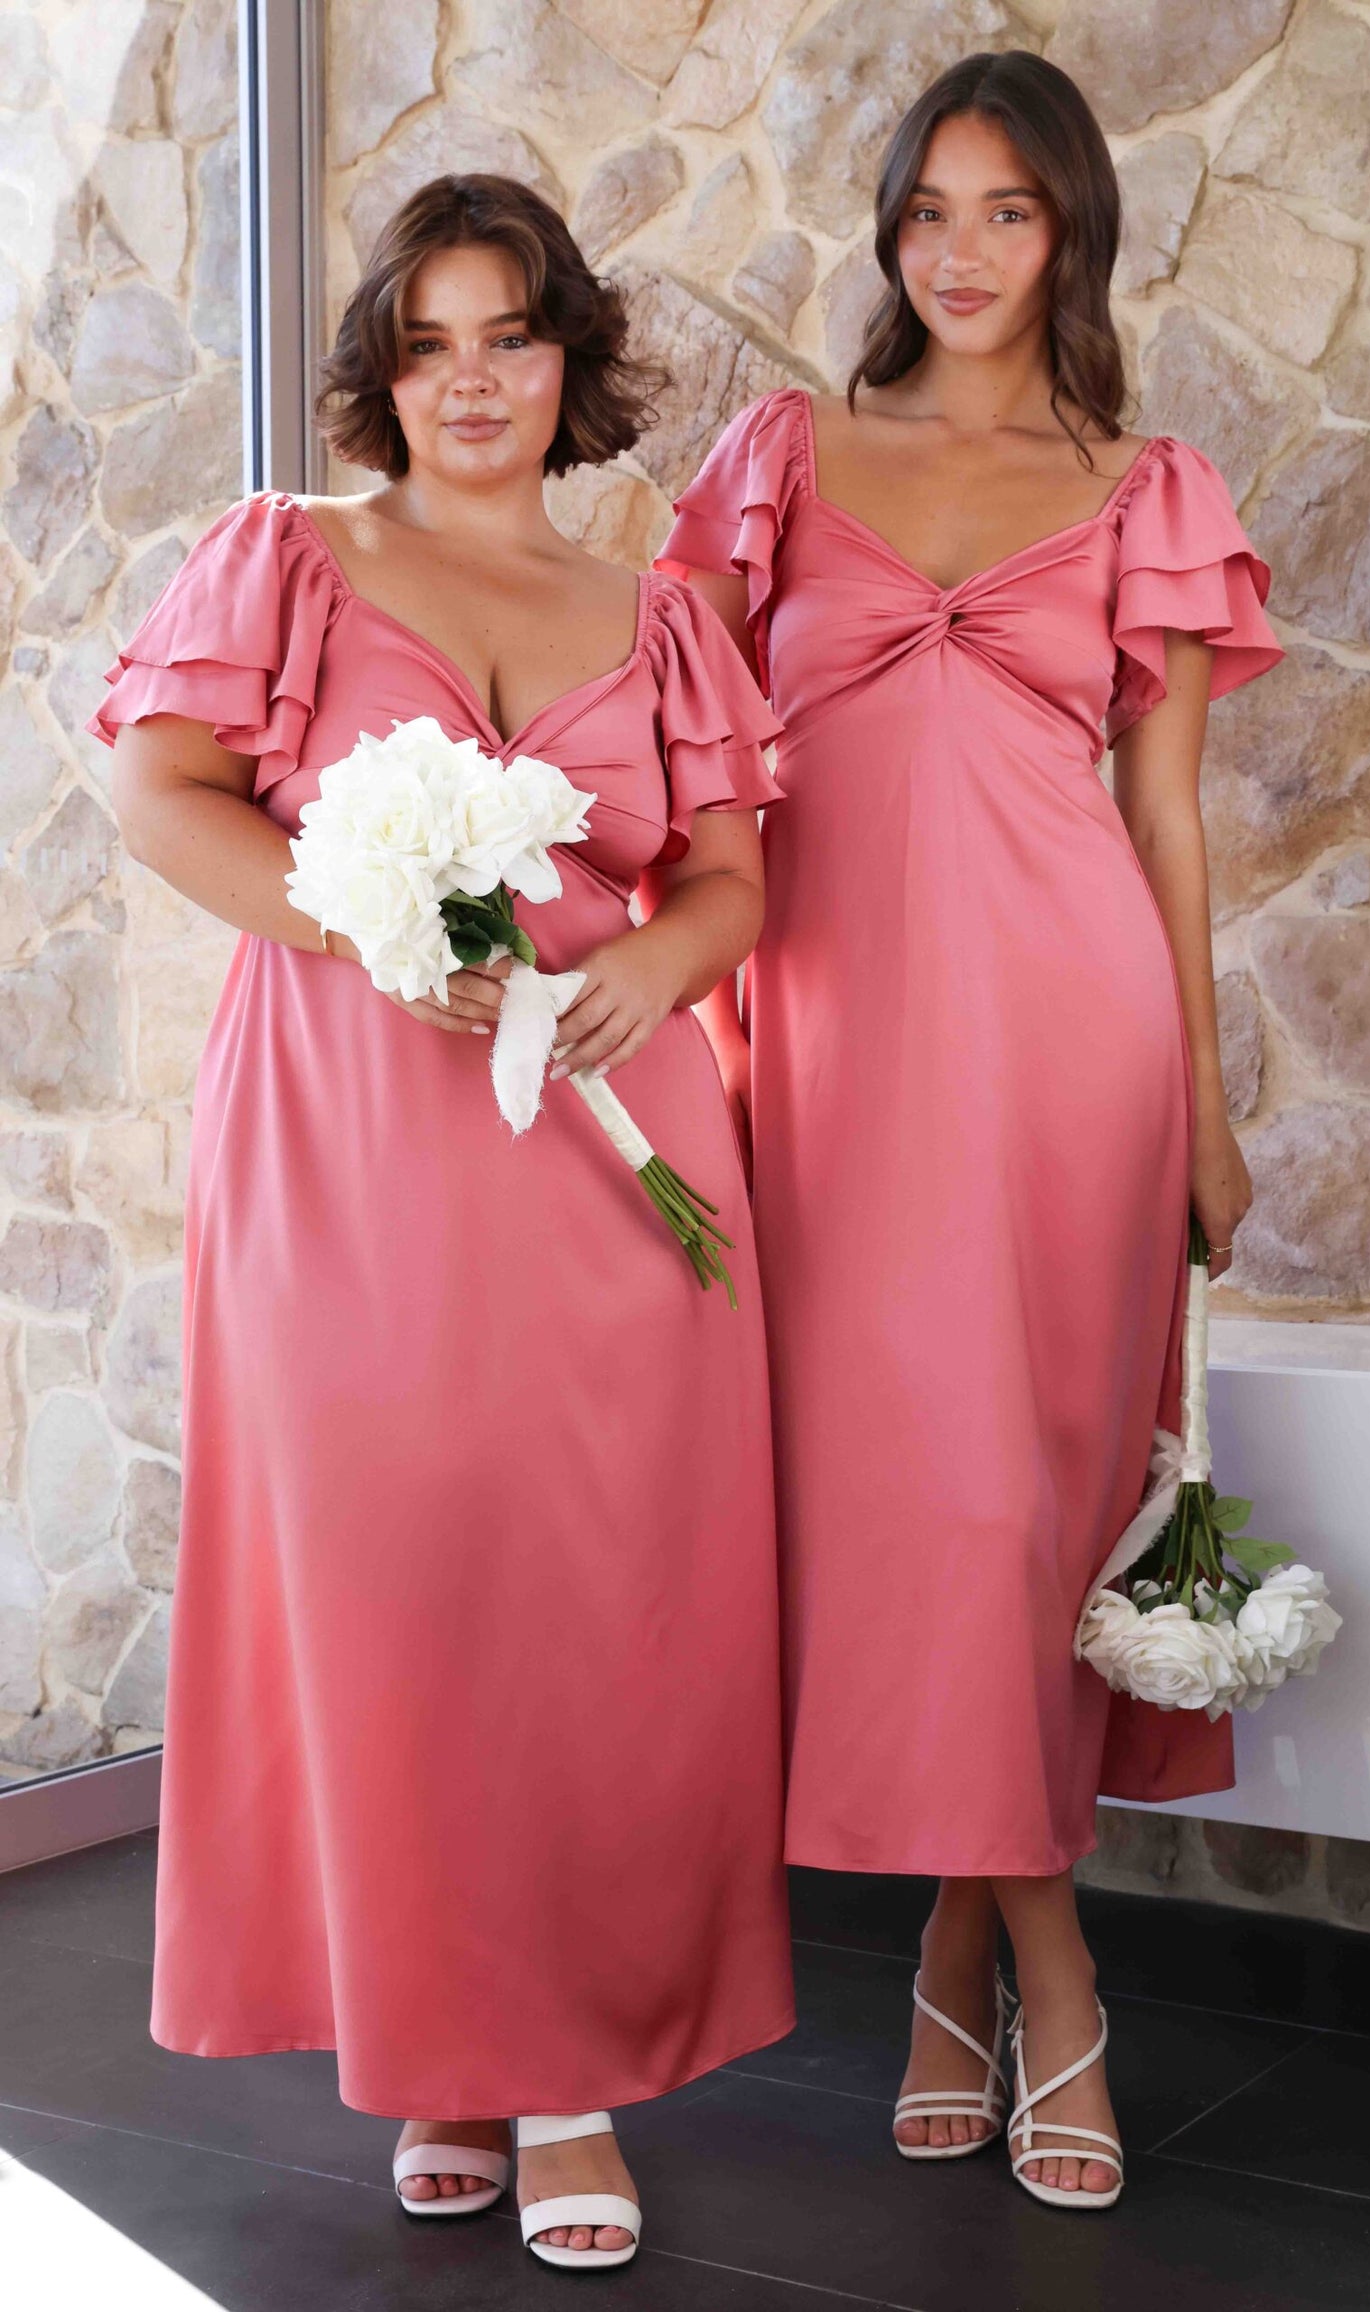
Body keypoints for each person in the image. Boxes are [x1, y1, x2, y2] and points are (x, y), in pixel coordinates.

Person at [90, 172, 795, 2273]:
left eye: (510, 337)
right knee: (393, 1585)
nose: (470, 382)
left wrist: (654, 966)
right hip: (351, 1143)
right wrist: (369, 931)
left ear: (569, 361)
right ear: (380, 375)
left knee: (592, 1597)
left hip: (608, 1145)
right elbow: (157, 791)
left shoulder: (661, 615)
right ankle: (439, 2046)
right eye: (427, 345)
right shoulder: (288, 558)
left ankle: (564, 2070)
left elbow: (731, 881)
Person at [658, 51, 1281, 2212]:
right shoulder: (781, 458)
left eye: (1009, 211)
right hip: (832, 1053)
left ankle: (993, 1951)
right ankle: (1012, 1948)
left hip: (1070, 1051)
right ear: (890, 230)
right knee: (913, 1508)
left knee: (1023, 1508)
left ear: (1071, 231)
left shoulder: (1142, 485)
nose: (963, 250)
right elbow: (685, 761)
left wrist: (1206, 1102)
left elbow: (1166, 819)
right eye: (931, 207)